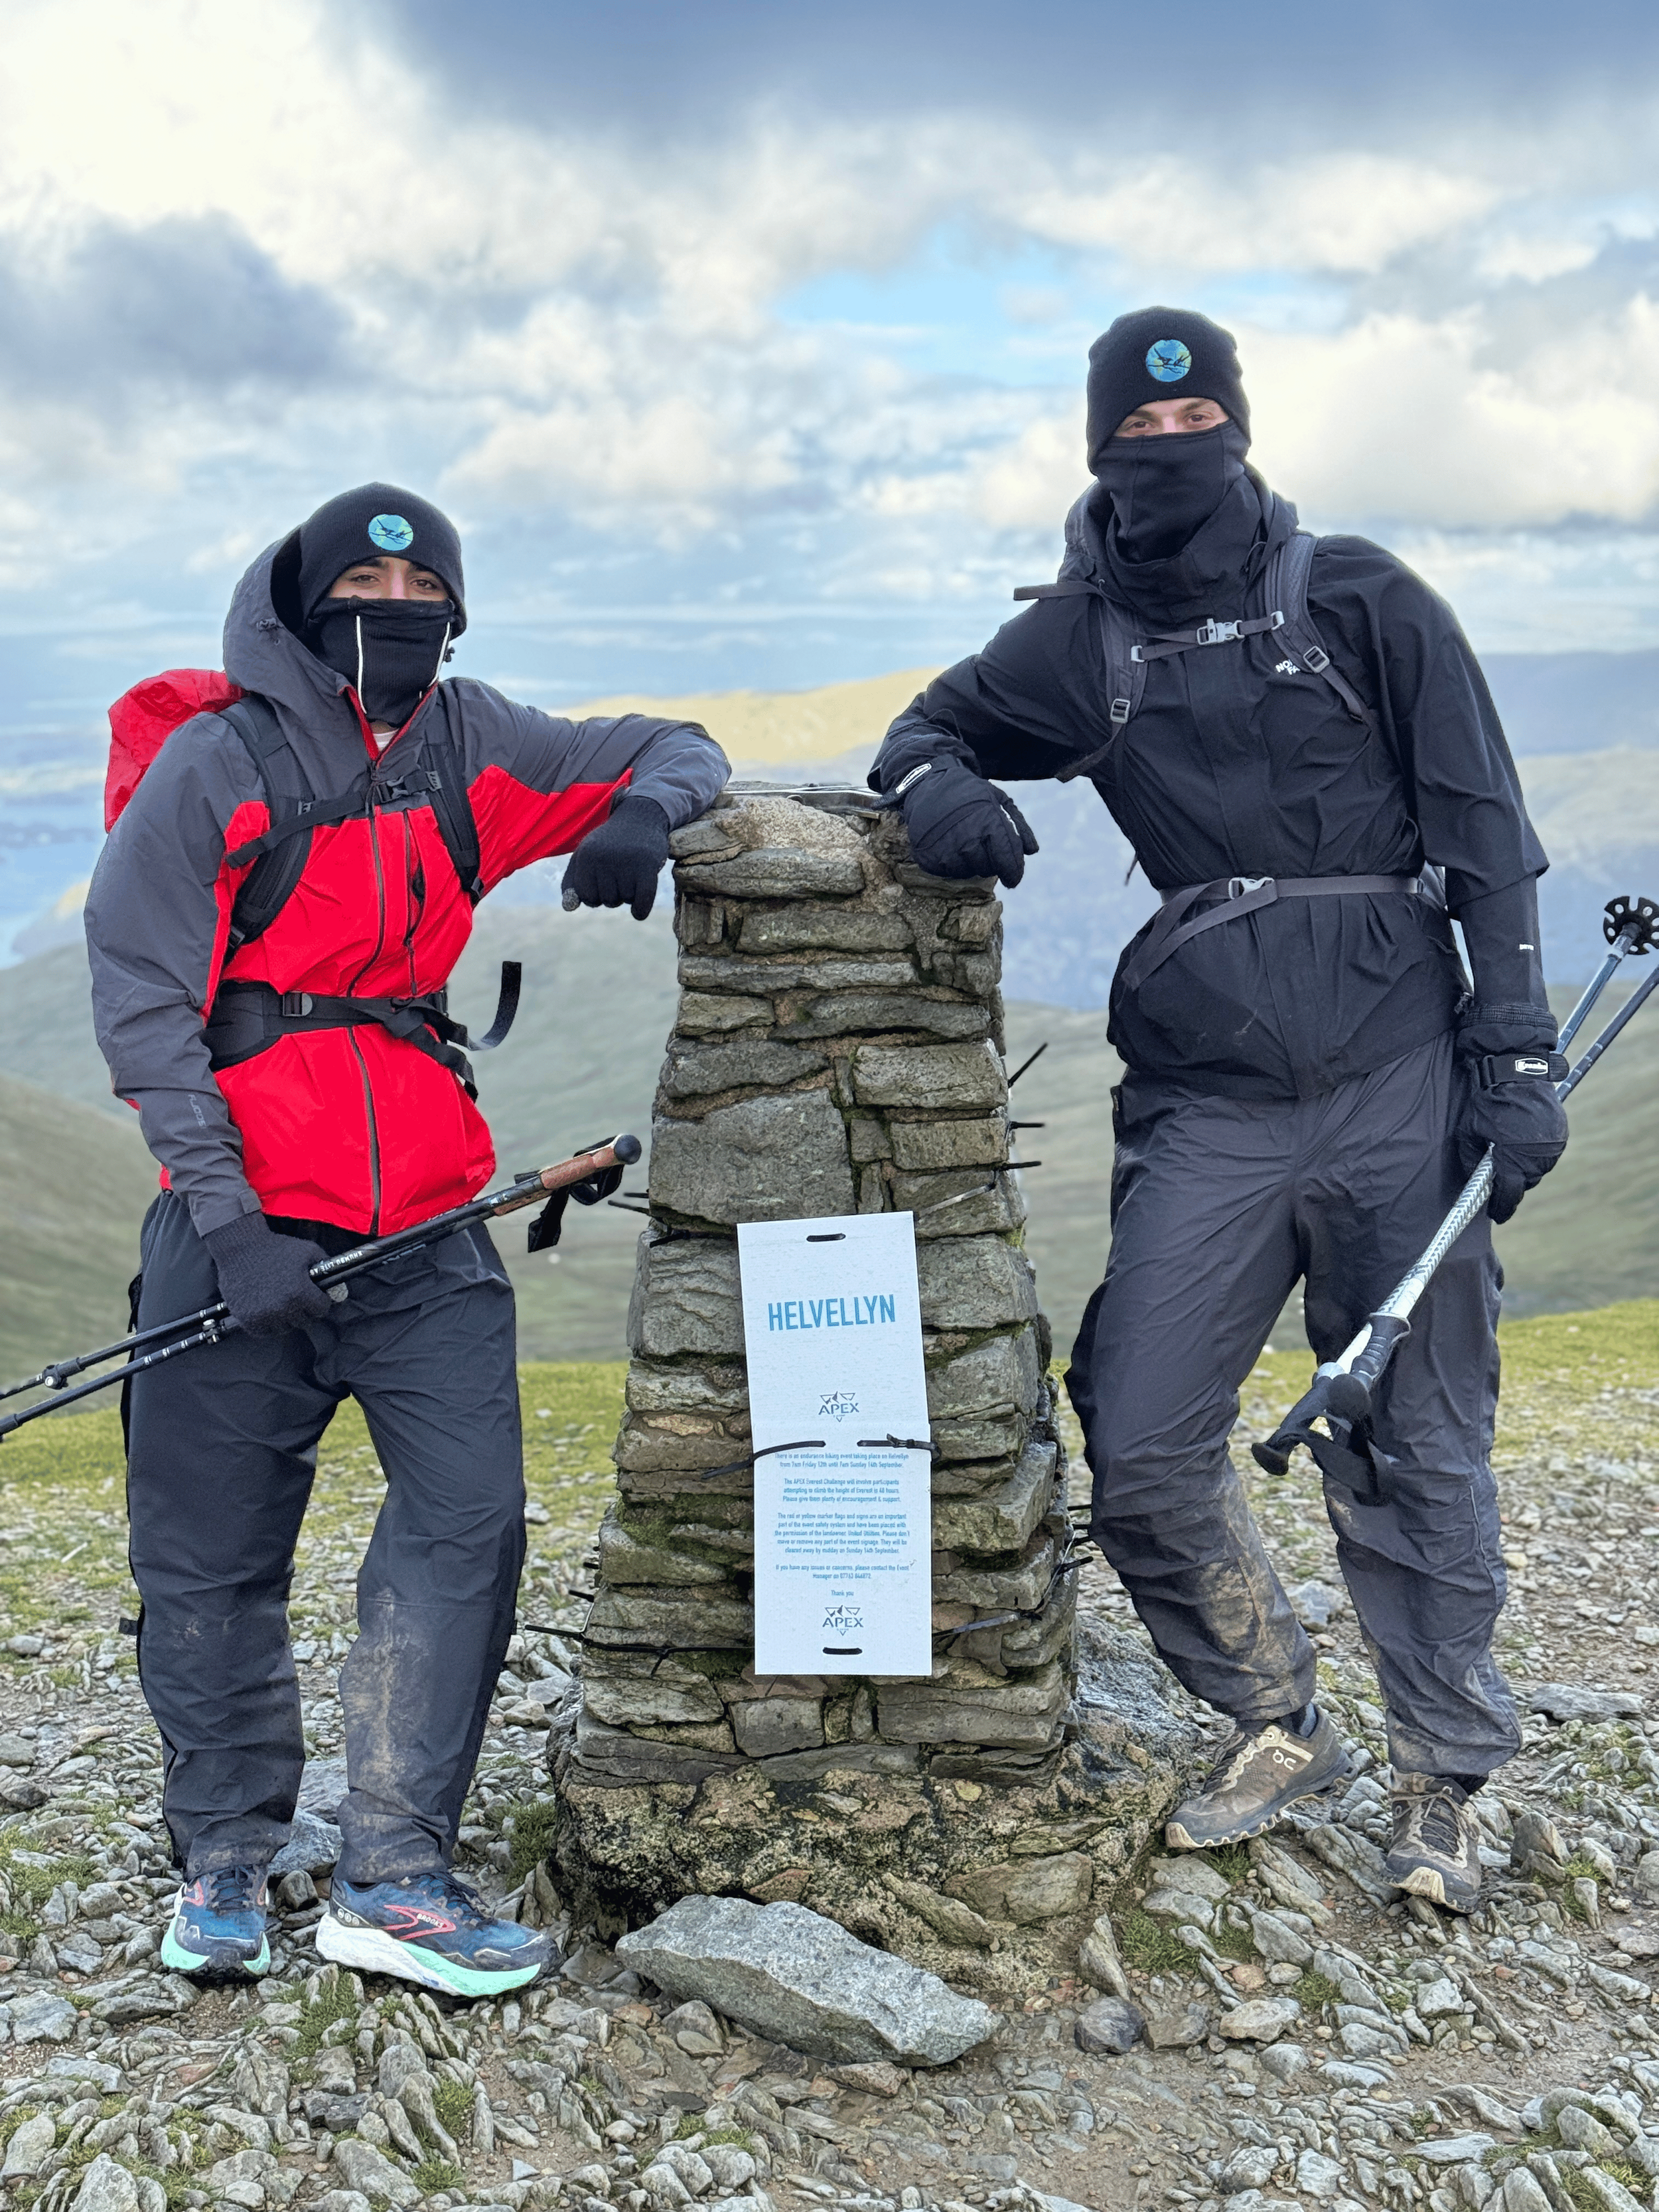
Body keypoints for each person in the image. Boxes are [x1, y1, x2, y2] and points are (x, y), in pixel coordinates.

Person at [868, 310, 1567, 1913]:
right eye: (1140, 431)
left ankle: (1442, 1775)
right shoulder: (1077, 638)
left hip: (1400, 1071)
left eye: (1198, 426)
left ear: (1240, 431)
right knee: (1138, 1430)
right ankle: (1274, 1715)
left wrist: (1514, 1056)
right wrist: (939, 786)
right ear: (1098, 447)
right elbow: (926, 727)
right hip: (1210, 1098)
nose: (1171, 451)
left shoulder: (1359, 595)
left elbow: (1485, 828)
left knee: (1410, 1432)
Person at [86, 483, 728, 1989]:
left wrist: (644, 812)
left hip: (429, 1223)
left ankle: (393, 1871)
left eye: (423, 591)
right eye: (363, 591)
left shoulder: (469, 741)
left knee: (465, 1524)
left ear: (456, 612)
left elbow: (676, 743)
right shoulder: (218, 764)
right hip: (239, 1227)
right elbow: (143, 1001)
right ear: (304, 611)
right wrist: (230, 1223)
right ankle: (226, 1852)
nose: (393, 613)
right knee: (206, 1548)